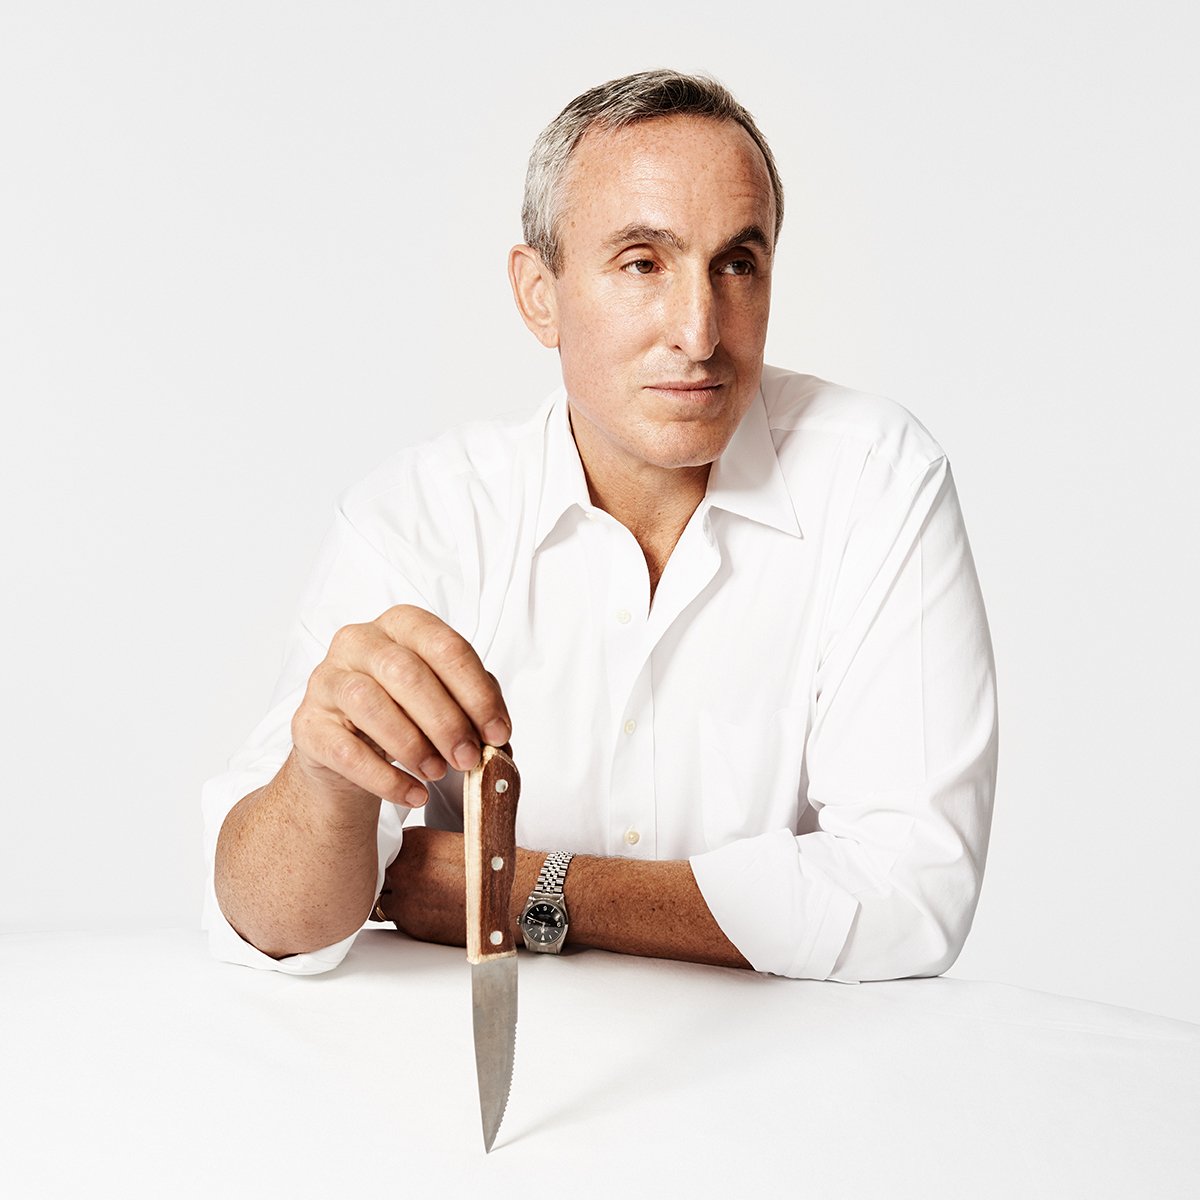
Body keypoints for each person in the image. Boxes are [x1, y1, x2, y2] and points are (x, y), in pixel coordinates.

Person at [204, 69, 998, 981]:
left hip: (789, 1065)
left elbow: (911, 896)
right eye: (643, 263)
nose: (699, 331)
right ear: (538, 294)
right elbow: (271, 924)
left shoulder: (875, 479)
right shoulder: (424, 517)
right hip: (467, 1070)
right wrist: (323, 784)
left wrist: (513, 890)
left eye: (737, 264)